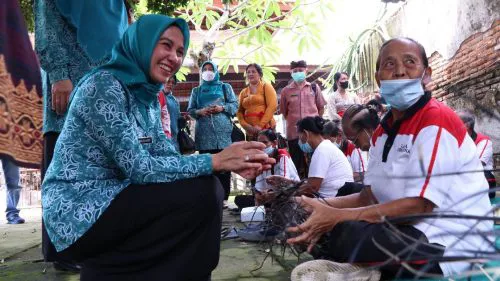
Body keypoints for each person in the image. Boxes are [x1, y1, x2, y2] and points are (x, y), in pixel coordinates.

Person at [42, 15, 274, 281]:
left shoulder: (147, 96)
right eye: (165, 45)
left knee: (207, 189)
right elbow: (140, 167)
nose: (174, 57)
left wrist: (236, 160)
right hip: (78, 210)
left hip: (116, 197)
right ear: (141, 43)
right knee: (204, 191)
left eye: (179, 51)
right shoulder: (104, 86)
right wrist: (214, 161)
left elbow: (165, 156)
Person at [286, 38, 493, 279]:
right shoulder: (383, 132)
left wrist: (336, 216)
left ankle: (375, 271)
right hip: (407, 226)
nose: (399, 71)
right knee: (334, 229)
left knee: (347, 233)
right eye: (389, 64)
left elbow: (420, 206)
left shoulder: (435, 120)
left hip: (451, 236)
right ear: (378, 78)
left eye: (410, 62)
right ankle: (373, 268)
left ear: (426, 75)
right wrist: (321, 207)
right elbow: (369, 195)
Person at [34, 0, 129, 271]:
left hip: (107, 84)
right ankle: (62, 251)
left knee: (102, 169)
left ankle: (95, 242)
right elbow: (47, 24)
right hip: (72, 83)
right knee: (66, 163)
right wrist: (59, 75)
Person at [187, 61, 238, 208]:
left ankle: (224, 198)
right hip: (204, 134)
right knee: (207, 165)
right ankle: (209, 197)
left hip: (223, 134)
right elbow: (190, 110)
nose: (208, 71)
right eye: (205, 69)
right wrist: (199, 112)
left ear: (216, 71)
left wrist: (221, 108)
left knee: (224, 166)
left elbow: (234, 105)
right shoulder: (196, 90)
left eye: (211, 69)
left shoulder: (224, 87)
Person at [267, 116, 353, 199]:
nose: (299, 140)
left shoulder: (322, 150)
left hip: (333, 199)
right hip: (335, 196)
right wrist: (285, 181)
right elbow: (311, 184)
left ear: (306, 133)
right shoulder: (325, 147)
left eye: (299, 135)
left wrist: (277, 195)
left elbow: (311, 188)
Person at [280, 60, 326, 178]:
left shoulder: (314, 88)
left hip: (313, 134)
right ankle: (298, 191)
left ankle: (314, 190)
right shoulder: (286, 91)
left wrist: (314, 124)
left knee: (315, 164)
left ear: (306, 71)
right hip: (294, 135)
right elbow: (284, 112)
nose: (298, 73)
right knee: (296, 165)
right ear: (291, 73)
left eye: (300, 70)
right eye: (295, 71)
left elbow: (321, 108)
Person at [253, 129, 300, 205]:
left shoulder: (282, 155)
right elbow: (259, 185)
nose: (261, 146)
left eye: (265, 142)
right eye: (259, 143)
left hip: (289, 193)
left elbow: (284, 182)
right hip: (273, 194)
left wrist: (269, 193)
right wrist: (259, 196)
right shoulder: (260, 159)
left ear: (274, 143)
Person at [458, 110, 496, 198]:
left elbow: (476, 164)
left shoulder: (484, 141)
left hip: (483, 179)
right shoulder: (457, 141)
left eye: (455, 123)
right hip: (464, 180)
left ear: (466, 126)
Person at [237, 63, 278, 141]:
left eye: (253, 71)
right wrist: (245, 126)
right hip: (249, 131)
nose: (250, 74)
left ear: (260, 74)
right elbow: (239, 112)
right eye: (248, 72)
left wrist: (260, 125)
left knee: (266, 152)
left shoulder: (266, 86)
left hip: (265, 129)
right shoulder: (243, 92)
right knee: (252, 152)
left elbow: (272, 106)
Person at [158, 75, 181, 151]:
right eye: (168, 81)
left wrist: (184, 119)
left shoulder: (175, 100)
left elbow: (178, 120)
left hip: (175, 137)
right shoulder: (157, 97)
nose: (170, 84)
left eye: (173, 83)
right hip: (162, 136)